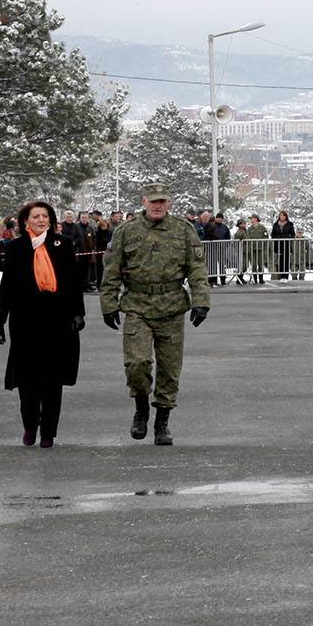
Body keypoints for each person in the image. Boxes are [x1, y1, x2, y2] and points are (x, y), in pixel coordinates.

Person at [100, 184, 210, 446]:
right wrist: (108, 303)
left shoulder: (184, 230)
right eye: (153, 201)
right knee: (137, 364)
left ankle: (162, 421)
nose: (157, 206)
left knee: (170, 370)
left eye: (162, 201)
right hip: (137, 306)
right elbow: (112, 270)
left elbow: (196, 269)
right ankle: (141, 407)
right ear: (144, 201)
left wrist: (201, 301)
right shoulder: (126, 231)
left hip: (171, 307)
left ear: (168, 203)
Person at [0, 200, 85, 446]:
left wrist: (78, 313)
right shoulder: (15, 247)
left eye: (45, 216)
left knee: (53, 380)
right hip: (26, 320)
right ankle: (30, 425)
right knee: (28, 379)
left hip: (58, 319)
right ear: (25, 221)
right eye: (36, 216)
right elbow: (8, 286)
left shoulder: (62, 244)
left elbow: (74, 282)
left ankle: (49, 431)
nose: (41, 220)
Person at [270, 210, 297, 282]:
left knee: (286, 261)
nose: (282, 217)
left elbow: (293, 235)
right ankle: (281, 276)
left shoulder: (290, 224)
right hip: (278, 245)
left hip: (287, 245)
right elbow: (272, 234)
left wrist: (287, 238)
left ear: (286, 216)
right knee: (280, 261)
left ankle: (286, 277)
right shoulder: (275, 224)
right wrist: (276, 239)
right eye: (280, 215)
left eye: (283, 215)